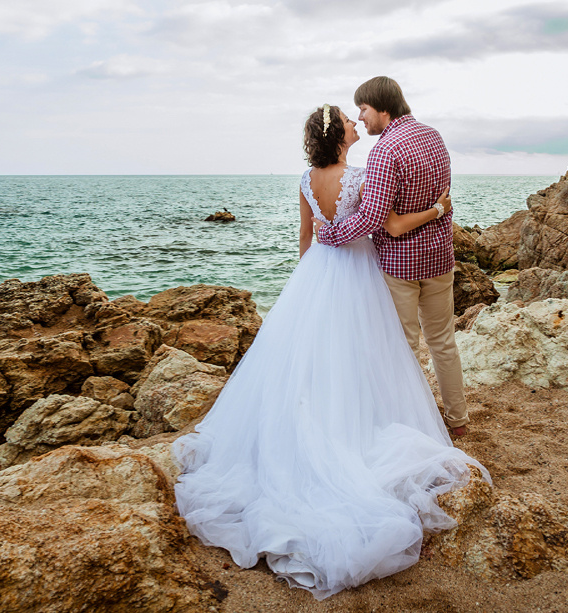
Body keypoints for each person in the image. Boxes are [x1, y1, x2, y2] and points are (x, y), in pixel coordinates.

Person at [172, 102, 489, 600]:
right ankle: (365, 425)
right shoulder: (362, 174)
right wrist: (436, 211)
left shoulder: (305, 178)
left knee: (314, 357)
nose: (353, 121)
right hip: (359, 273)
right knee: (367, 354)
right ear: (337, 134)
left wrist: (305, 285)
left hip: (317, 273)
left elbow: (306, 236)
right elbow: (379, 224)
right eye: (346, 118)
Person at [314, 76, 469, 438]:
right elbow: (443, 200)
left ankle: (414, 425)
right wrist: (433, 212)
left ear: (382, 107)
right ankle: (458, 420)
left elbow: (372, 218)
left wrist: (330, 235)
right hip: (440, 259)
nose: (361, 117)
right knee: (444, 342)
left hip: (401, 266)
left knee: (403, 348)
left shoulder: (386, 150)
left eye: (364, 109)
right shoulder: (433, 136)